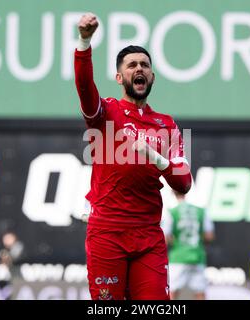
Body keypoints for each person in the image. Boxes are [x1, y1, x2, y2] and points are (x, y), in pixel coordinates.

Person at [74, 13, 192, 300]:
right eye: (132, 65)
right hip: (107, 234)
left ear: (152, 76)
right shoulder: (106, 112)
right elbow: (85, 87)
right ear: (119, 77)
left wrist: (154, 156)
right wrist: (85, 41)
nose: (139, 69)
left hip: (149, 237)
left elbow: (184, 183)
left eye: (145, 65)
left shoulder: (167, 124)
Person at [162, 190, 215, 300]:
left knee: (172, 292)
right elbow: (209, 236)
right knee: (200, 292)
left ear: (173, 193)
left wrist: (175, 239)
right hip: (197, 256)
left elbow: (165, 238)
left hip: (178, 257)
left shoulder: (172, 212)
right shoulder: (201, 211)